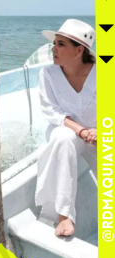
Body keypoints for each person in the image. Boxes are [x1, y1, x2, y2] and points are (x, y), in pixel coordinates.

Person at [35, 19, 97, 237]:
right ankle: (64, 216)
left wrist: (100, 131)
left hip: (100, 135)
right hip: (68, 131)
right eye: (55, 43)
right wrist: (81, 130)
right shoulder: (48, 75)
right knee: (62, 138)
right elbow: (51, 111)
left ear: (79, 50)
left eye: (61, 44)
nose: (54, 48)